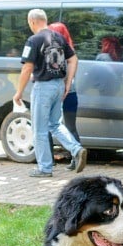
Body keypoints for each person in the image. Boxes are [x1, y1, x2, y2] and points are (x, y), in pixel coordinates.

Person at [12, 9, 87, 177]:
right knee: (55, 124)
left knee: (39, 129)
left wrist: (18, 93)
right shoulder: (59, 37)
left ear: (32, 22)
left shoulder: (33, 40)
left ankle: (45, 168)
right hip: (58, 86)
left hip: (43, 87)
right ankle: (76, 148)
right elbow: (73, 59)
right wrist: (68, 82)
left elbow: (27, 68)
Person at [47, 21, 80, 169]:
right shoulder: (71, 51)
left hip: (57, 93)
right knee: (71, 127)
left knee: (47, 125)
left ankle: (48, 159)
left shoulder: (54, 51)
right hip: (71, 93)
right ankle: (76, 159)